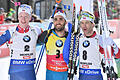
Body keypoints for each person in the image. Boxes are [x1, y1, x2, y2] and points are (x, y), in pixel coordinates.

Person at [63, 11, 120, 80]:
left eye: (87, 22)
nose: (84, 26)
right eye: (82, 23)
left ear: (92, 24)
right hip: (82, 76)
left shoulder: (99, 39)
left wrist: (113, 45)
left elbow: (117, 55)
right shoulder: (79, 39)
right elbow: (68, 56)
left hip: (95, 76)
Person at [0, 4, 43, 80]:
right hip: (15, 73)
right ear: (18, 17)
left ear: (30, 17)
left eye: (26, 16)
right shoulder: (10, 32)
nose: (23, 20)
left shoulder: (36, 30)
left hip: (30, 72)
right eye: (21, 16)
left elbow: (48, 37)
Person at [37, 9, 71, 80]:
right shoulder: (47, 34)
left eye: (61, 19)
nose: (58, 22)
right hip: (51, 76)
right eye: (56, 19)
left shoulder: (70, 37)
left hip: (66, 75)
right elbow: (34, 44)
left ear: (65, 21)